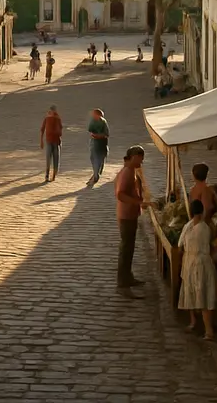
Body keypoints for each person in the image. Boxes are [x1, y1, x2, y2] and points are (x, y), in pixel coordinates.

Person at [178, 199, 217, 340]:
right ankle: (208, 329)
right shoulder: (206, 228)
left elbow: (180, 245)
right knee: (204, 294)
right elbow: (212, 245)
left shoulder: (188, 226)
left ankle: (196, 324)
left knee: (192, 292)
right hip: (202, 262)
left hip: (191, 262)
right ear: (202, 212)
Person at [116, 145, 149, 297]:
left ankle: (128, 277)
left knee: (129, 248)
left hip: (130, 215)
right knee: (126, 249)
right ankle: (123, 283)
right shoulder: (127, 173)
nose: (141, 161)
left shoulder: (131, 171)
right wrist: (137, 202)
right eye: (140, 158)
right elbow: (120, 194)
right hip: (126, 215)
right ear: (134, 157)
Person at [39, 105, 63, 182]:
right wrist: (41, 140)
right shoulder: (47, 118)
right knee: (48, 159)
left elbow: (60, 130)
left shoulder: (57, 119)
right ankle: (47, 175)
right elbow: (42, 129)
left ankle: (53, 175)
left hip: (56, 142)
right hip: (49, 141)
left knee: (56, 159)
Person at [87, 109, 109, 186]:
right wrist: (94, 135)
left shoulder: (103, 122)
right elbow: (90, 130)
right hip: (94, 142)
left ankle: (96, 175)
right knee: (93, 158)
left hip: (102, 143)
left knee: (100, 159)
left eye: (94, 114)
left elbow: (106, 134)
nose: (93, 115)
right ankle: (96, 174)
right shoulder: (93, 121)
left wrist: (98, 136)